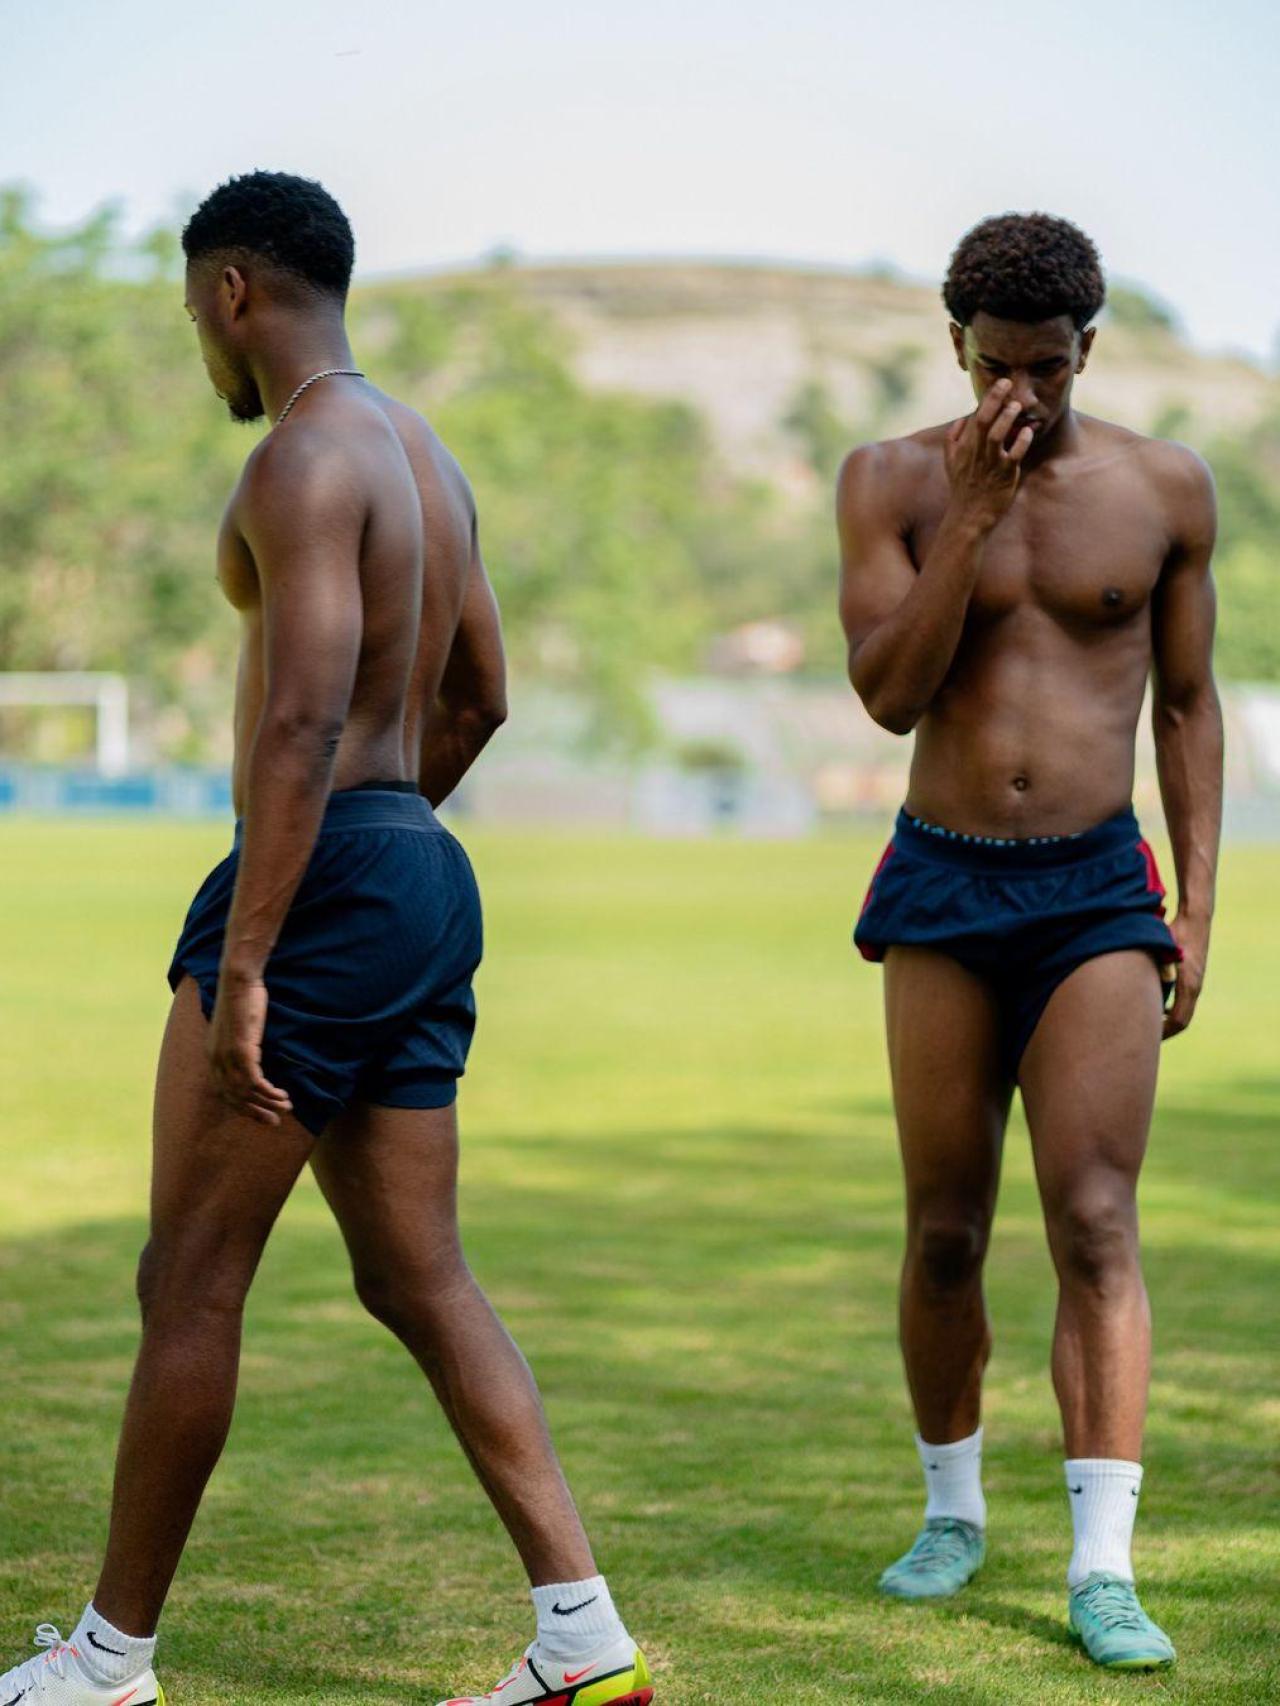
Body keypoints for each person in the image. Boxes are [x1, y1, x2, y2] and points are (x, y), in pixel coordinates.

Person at [1, 171, 652, 1706]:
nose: (200, 353)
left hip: (324, 883)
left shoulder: (302, 459)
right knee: (419, 1272)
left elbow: (299, 716)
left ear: (234, 292)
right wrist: (389, 834)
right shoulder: (429, 457)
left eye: (191, 320)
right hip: (423, 871)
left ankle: (107, 1662)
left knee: (192, 1278)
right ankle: (584, 1640)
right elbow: (481, 692)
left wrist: (251, 962)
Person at [837, 211, 1222, 1671]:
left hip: (1097, 894)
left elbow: (1187, 706)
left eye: (1050, 368)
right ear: (957, 345)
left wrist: (1199, 901)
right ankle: (952, 1509)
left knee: (1097, 1219)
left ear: (1087, 348)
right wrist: (975, 516)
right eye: (999, 366)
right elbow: (887, 692)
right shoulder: (887, 479)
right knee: (945, 1226)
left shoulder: (1165, 487)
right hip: (942, 880)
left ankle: (1103, 1565)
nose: (1024, 396)